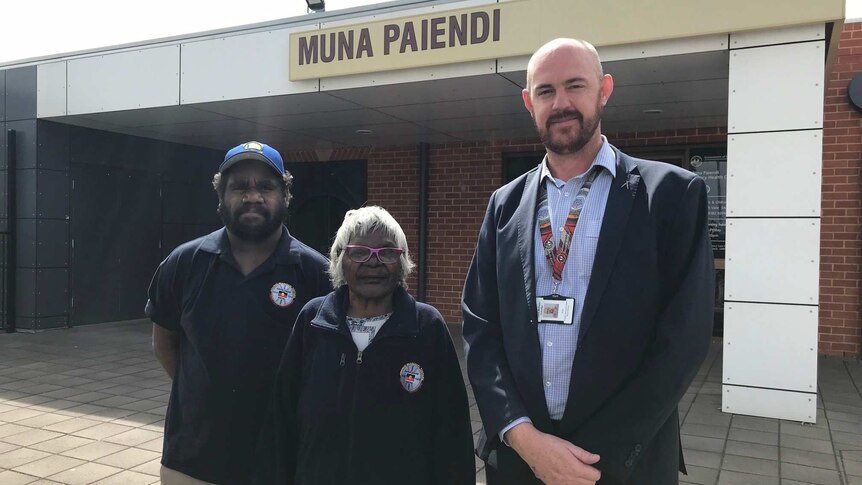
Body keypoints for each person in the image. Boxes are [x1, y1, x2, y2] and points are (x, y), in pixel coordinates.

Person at [461, 38, 715, 485]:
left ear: (604, 90)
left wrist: (589, 460)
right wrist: (523, 437)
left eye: (575, 86)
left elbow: (682, 342)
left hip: (622, 466)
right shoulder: (504, 205)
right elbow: (481, 331)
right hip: (521, 463)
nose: (560, 103)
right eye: (545, 91)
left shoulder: (673, 196)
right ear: (528, 102)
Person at [145, 141, 332, 484]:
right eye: (239, 186)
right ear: (221, 195)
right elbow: (164, 342)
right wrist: (206, 391)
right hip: (192, 462)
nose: (253, 196)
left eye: (266, 186)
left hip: (285, 463)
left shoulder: (317, 274)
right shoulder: (183, 263)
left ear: (285, 195)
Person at [266, 206, 475, 484]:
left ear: (402, 262)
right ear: (339, 259)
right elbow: (282, 423)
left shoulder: (427, 328)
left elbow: (453, 436)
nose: (373, 262)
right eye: (359, 252)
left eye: (387, 252)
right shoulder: (312, 322)